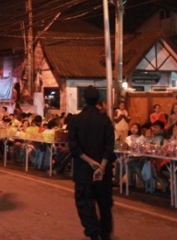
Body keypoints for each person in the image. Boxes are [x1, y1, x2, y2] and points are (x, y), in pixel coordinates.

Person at [68, 86, 115, 240]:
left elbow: (74, 147)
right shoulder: (105, 120)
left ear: (83, 99)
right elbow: (109, 146)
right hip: (103, 171)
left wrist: (91, 162)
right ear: (98, 100)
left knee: (85, 204)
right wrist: (101, 166)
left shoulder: (76, 120)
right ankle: (105, 234)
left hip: (83, 171)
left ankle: (93, 232)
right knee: (104, 204)